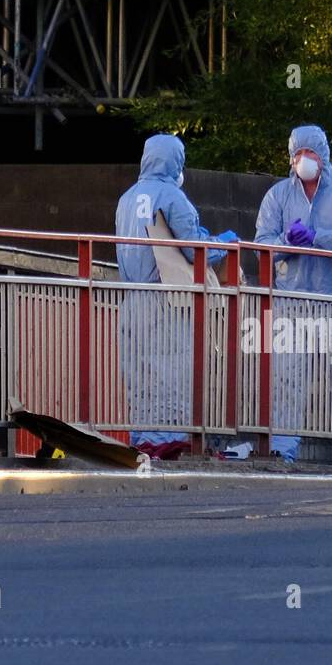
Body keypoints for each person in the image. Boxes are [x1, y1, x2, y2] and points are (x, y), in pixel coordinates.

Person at [253, 125, 332, 464]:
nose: (303, 160)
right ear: (290, 158)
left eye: (309, 153)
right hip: (291, 303)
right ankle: (282, 450)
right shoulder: (277, 196)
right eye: (297, 154)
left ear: (324, 157)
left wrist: (318, 237)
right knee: (287, 381)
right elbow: (261, 247)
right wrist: (286, 243)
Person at [114, 134, 237, 458]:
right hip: (164, 303)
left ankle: (143, 438)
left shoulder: (126, 199)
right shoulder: (172, 197)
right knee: (172, 372)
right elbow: (194, 250)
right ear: (175, 162)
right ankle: (167, 441)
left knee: (139, 374)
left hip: (131, 299)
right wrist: (223, 242)